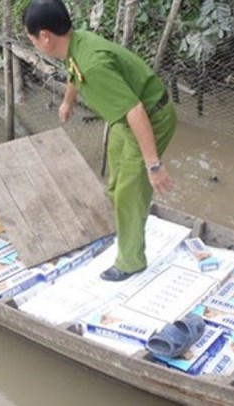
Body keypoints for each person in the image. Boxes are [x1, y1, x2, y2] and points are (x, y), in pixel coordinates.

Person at [23, 0, 177, 282]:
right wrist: (68, 103)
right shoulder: (75, 43)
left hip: (149, 118)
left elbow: (135, 111)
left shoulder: (93, 63)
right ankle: (115, 220)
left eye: (31, 38)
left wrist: (153, 165)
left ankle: (131, 261)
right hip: (125, 121)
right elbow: (74, 72)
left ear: (45, 36)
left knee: (131, 191)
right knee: (116, 182)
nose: (31, 43)